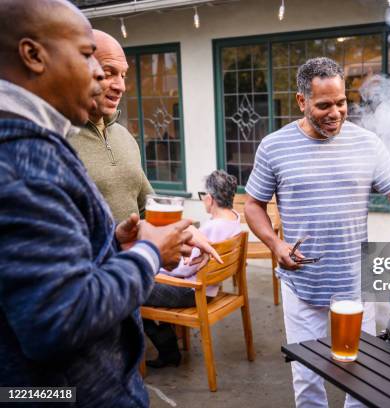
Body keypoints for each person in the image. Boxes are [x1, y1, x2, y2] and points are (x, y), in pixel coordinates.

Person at [0, 1, 214, 406]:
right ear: (32, 55)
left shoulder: (42, 145)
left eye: (118, 72)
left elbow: (51, 264)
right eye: (87, 56)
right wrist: (150, 253)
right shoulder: (26, 157)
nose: (100, 75)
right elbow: (57, 319)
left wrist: (117, 243)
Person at [244, 57, 390, 408]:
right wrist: (275, 244)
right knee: (307, 377)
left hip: (356, 281)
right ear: (302, 101)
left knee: (362, 373)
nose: (336, 113)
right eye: (323, 105)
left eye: (341, 103)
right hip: (302, 283)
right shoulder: (274, 146)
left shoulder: (368, 143)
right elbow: (253, 205)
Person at [144, 170, 242, 368]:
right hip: (209, 288)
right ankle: (169, 344)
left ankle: (168, 350)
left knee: (136, 290)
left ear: (210, 198)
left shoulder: (211, 228)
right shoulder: (235, 220)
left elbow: (185, 270)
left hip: (194, 292)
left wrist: (157, 267)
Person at [68, 29, 153, 222]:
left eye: (123, 75)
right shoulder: (56, 140)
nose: (121, 86)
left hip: (133, 252)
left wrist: (182, 229)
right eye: (108, 74)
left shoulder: (125, 137)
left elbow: (147, 207)